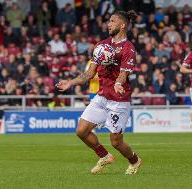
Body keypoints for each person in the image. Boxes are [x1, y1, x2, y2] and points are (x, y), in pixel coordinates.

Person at [56, 10, 141, 175]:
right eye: (109, 21)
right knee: (81, 131)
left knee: (116, 142)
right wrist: (70, 82)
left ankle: (135, 160)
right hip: (102, 96)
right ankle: (104, 156)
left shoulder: (128, 48)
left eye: (112, 21)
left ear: (122, 25)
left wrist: (118, 83)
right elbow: (89, 74)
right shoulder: (101, 46)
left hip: (119, 99)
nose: (108, 24)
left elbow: (124, 73)